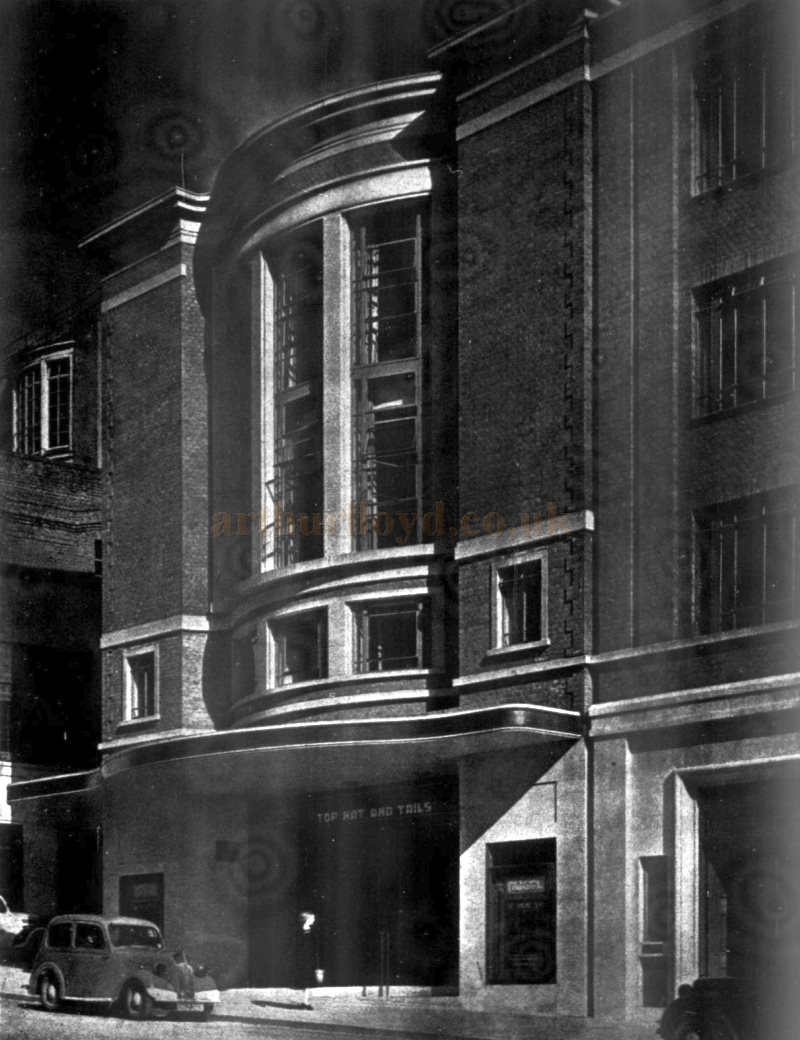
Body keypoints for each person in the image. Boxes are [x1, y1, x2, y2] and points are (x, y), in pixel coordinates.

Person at [297, 911, 319, 1009]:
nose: (314, 920)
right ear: (308, 919)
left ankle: (305, 1002)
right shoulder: (300, 931)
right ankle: (305, 1002)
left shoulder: (311, 930)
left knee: (308, 982)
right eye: (312, 918)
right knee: (306, 982)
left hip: (309, 959)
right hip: (303, 959)